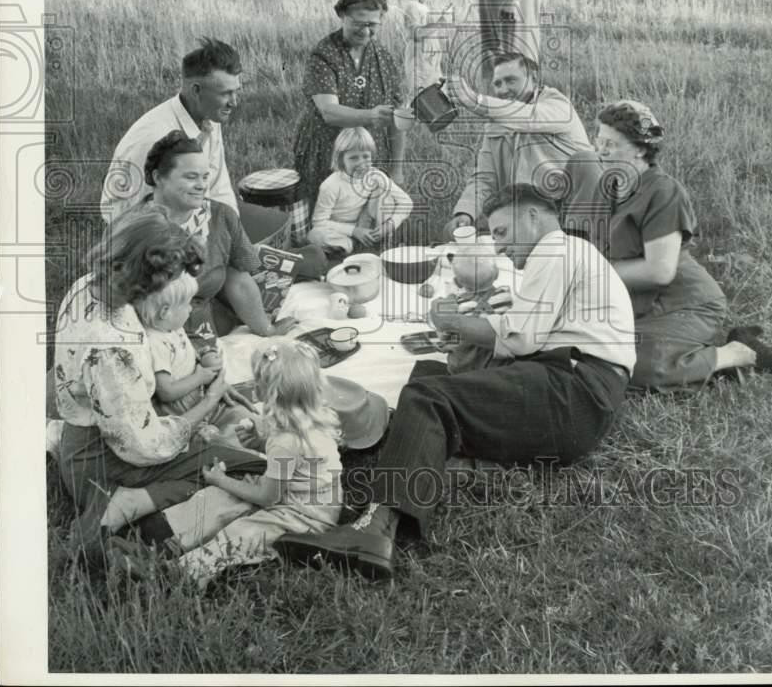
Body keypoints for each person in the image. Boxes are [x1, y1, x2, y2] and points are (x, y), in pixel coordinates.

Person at [274, 183, 636, 581]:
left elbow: (519, 338)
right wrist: (470, 330)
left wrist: (453, 322)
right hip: (573, 393)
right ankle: (426, 458)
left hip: (574, 393)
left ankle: (374, 529)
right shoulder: (566, 255)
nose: (498, 248)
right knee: (431, 375)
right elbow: (519, 332)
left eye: (501, 233)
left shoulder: (556, 248)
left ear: (533, 216)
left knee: (427, 396)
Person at [52, 207, 274, 564]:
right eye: (169, 279)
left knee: (227, 461)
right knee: (253, 471)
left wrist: (200, 386)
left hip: (93, 442)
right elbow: (145, 446)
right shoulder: (111, 347)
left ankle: (142, 506)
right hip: (104, 463)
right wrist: (208, 402)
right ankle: (125, 509)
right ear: (146, 280)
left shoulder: (89, 287)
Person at [561, 99, 772, 390]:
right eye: (598, 140)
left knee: (636, 366)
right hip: (636, 302)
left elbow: (659, 271)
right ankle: (695, 348)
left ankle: (734, 354)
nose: (599, 150)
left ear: (640, 149)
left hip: (686, 301)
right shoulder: (608, 186)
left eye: (611, 144)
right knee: (589, 351)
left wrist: (591, 272)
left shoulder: (663, 191)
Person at [164, 338, 343, 588]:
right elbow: (296, 462)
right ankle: (172, 538)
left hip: (307, 516)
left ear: (263, 391)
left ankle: (183, 573)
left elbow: (268, 497)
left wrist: (222, 479)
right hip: (306, 498)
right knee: (227, 500)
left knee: (241, 532)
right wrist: (260, 444)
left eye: (256, 380)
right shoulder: (305, 419)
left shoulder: (286, 441)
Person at [139, 131, 295, 344]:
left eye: (205, 176)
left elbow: (238, 279)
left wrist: (266, 330)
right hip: (153, 338)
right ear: (158, 178)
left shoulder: (220, 216)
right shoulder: (135, 229)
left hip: (208, 325)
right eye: (191, 177)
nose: (202, 186)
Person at [293, 0, 406, 238]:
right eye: (359, 23)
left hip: (366, 151)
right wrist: (370, 116)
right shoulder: (324, 56)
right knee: (324, 217)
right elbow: (329, 112)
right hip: (326, 148)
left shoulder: (385, 59)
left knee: (367, 211)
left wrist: (397, 168)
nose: (366, 31)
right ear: (341, 15)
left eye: (373, 25)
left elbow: (397, 119)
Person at [446, 53, 590, 237]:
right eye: (497, 84)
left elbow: (529, 117)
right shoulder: (495, 124)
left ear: (534, 78)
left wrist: (475, 101)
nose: (503, 89)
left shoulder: (557, 105)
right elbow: (485, 177)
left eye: (510, 80)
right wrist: (466, 211)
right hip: (522, 215)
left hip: (567, 213)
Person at [100, 37, 241, 224]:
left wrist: (233, 236)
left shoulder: (210, 115)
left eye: (235, 91)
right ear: (196, 90)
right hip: (138, 234)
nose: (234, 102)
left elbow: (218, 188)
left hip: (188, 217)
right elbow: (144, 221)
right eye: (225, 94)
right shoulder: (153, 139)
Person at [134, 271, 249, 437]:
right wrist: (199, 377)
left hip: (198, 399)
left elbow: (183, 354)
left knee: (244, 420)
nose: (191, 309)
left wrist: (204, 354)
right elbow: (166, 391)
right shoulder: (156, 343)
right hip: (181, 411)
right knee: (219, 438)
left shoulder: (173, 328)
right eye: (188, 304)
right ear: (165, 312)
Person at [307, 127, 413, 258]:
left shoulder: (375, 176)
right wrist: (354, 231)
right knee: (314, 235)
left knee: (385, 194)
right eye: (353, 158)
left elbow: (406, 202)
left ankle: (381, 240)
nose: (361, 163)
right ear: (341, 160)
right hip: (338, 229)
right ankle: (350, 246)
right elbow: (318, 222)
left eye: (365, 156)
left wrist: (389, 225)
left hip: (365, 222)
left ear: (372, 156)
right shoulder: (330, 185)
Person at [395, 0, 452, 102]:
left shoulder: (421, 6)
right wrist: (441, 22)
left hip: (428, 60)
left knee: (433, 90)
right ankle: (418, 118)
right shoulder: (412, 7)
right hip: (420, 61)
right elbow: (416, 33)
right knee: (422, 94)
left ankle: (433, 117)